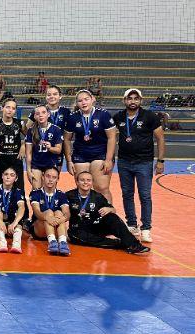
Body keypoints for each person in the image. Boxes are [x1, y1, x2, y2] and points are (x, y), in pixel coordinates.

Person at [113, 88, 165, 243]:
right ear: (124, 100)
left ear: (141, 100)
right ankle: (131, 224)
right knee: (127, 194)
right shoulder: (118, 117)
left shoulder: (150, 116)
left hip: (144, 162)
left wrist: (160, 161)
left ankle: (146, 228)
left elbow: (160, 138)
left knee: (145, 195)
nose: (133, 101)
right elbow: (109, 135)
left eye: (136, 98)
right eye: (130, 98)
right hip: (124, 162)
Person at [66, 171, 150, 254]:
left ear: (92, 182)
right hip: (78, 231)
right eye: (82, 180)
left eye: (88, 180)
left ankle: (134, 245)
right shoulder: (69, 195)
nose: (85, 182)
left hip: (95, 227)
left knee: (112, 217)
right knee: (78, 237)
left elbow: (113, 210)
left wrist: (109, 209)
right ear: (77, 182)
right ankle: (122, 243)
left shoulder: (97, 196)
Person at [63, 89, 117, 202]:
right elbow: (67, 140)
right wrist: (69, 161)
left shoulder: (103, 114)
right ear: (77, 103)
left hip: (100, 154)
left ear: (93, 99)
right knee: (82, 188)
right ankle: (85, 217)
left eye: (86, 99)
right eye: (80, 101)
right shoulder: (73, 117)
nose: (83, 103)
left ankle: (107, 216)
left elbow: (112, 138)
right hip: (80, 155)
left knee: (101, 188)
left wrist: (108, 159)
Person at [29, 167, 71, 255]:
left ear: (57, 179)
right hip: (39, 229)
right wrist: (47, 217)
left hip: (56, 227)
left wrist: (60, 219)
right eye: (48, 176)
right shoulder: (35, 193)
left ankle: (62, 243)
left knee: (59, 213)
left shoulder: (61, 195)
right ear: (43, 177)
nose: (50, 180)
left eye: (54, 177)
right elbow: (37, 212)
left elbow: (67, 214)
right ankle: (52, 242)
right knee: (49, 212)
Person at [25, 104, 64, 191]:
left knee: (49, 190)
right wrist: (28, 170)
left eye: (43, 112)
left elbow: (59, 150)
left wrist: (50, 148)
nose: (41, 115)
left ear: (48, 114)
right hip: (36, 164)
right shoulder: (31, 131)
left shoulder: (56, 129)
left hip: (50, 164)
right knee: (36, 190)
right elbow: (28, 153)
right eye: (38, 113)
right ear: (35, 116)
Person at [0, 167, 26, 253]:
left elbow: (21, 207)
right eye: (6, 174)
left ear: (16, 178)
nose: (8, 177)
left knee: (18, 221)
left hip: (10, 226)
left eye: (12, 175)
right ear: (2, 176)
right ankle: (2, 242)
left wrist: (15, 223)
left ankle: (16, 244)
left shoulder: (18, 191)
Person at [0, 99, 24, 191]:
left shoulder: (19, 123)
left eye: (13, 108)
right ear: (2, 108)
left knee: (18, 187)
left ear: (15, 111)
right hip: (1, 159)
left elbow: (30, 136)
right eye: (8, 107)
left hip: (15, 159)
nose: (10, 110)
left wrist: (23, 145)